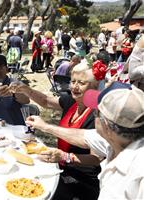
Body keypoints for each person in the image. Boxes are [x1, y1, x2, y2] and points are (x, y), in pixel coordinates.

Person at [13, 62, 101, 200]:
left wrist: (65, 157)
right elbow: (46, 101)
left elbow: (96, 159)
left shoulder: (97, 114)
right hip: (61, 166)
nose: (74, 87)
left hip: (82, 179)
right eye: (72, 81)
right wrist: (25, 89)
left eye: (81, 83)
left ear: (94, 87)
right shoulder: (72, 101)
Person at [84, 82, 144, 199]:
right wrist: (45, 126)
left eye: (96, 113)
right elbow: (83, 136)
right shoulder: (117, 142)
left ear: (105, 125)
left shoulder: (139, 175)